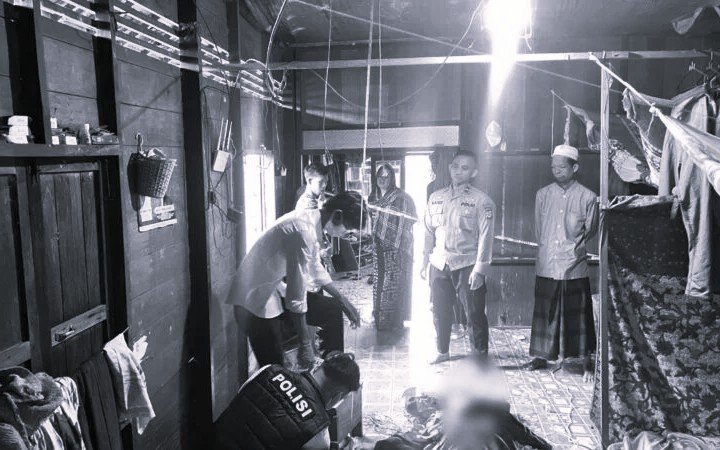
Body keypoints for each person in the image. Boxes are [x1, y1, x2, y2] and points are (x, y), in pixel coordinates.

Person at [227, 192, 364, 370]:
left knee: (333, 309)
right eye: (348, 229)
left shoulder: (311, 222)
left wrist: (343, 300)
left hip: (274, 291)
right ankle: (324, 373)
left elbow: (314, 265)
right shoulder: (302, 231)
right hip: (252, 302)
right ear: (337, 215)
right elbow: (296, 297)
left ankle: (333, 370)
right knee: (275, 371)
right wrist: (305, 344)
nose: (346, 234)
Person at [523, 144, 598, 379]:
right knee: (544, 312)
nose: (557, 171)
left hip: (574, 265)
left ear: (574, 168)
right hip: (547, 262)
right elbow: (539, 229)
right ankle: (541, 356)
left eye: (562, 167)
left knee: (577, 316)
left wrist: (572, 248)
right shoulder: (543, 195)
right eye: (553, 167)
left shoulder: (588, 197)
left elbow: (590, 230)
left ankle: (585, 361)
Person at [422, 150, 495, 363]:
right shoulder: (436, 198)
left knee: (474, 314)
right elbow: (428, 232)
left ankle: (479, 358)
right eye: (455, 166)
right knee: (439, 311)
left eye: (465, 168)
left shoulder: (482, 201)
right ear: (449, 168)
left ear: (474, 172)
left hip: (467, 265)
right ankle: (442, 351)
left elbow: (486, 238)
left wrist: (480, 270)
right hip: (439, 263)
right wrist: (425, 261)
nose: (458, 171)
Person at [213, 352, 361, 450]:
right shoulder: (319, 435)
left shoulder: (269, 370)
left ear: (318, 367)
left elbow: (239, 400)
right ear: (338, 395)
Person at [368, 164, 417, 331]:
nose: (382, 180)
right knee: (379, 281)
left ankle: (394, 321)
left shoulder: (401, 197)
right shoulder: (373, 196)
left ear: (392, 178)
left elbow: (410, 219)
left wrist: (394, 234)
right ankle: (379, 316)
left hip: (398, 247)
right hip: (378, 245)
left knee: (395, 283)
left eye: (386, 176)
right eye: (380, 176)